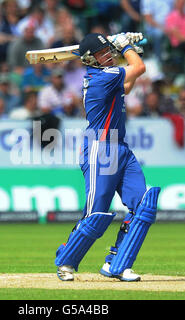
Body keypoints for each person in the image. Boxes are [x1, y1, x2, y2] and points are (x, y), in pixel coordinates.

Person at [54, 33, 161, 282]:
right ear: (91, 59)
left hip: (121, 148)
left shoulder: (110, 77)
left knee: (144, 205)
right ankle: (65, 261)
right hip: (99, 149)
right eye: (103, 53)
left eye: (109, 51)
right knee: (96, 214)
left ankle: (117, 264)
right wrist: (126, 47)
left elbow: (127, 85)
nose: (109, 56)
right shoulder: (101, 77)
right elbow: (139, 68)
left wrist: (129, 49)